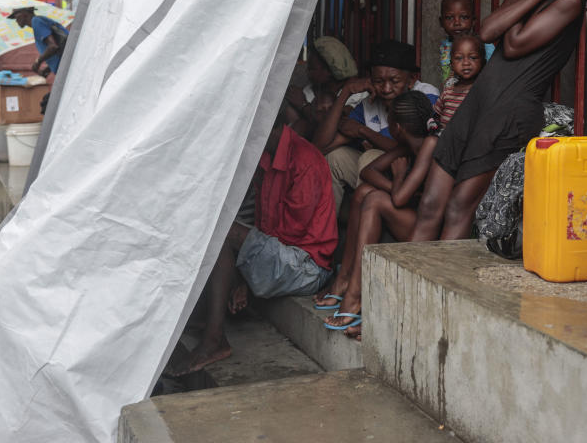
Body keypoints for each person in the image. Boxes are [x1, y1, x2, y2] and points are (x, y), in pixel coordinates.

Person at [411, 0, 586, 242]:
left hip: (510, 111)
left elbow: (515, 43)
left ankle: (446, 288)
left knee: (459, 206)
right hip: (479, 102)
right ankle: (403, 293)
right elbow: (488, 31)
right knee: (431, 203)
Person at [167, 103, 337, 375]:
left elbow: (289, 236)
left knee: (222, 230)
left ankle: (214, 338)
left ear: (273, 127)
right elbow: (265, 226)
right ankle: (207, 322)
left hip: (306, 267)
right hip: (283, 255)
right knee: (214, 225)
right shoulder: (268, 156)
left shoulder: (304, 160)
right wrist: (245, 273)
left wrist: (246, 273)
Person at [316, 92, 438, 337]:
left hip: (430, 232)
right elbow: (369, 172)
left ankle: (355, 295)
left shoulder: (429, 145)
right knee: (363, 192)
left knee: (374, 199)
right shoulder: (406, 146)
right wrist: (398, 185)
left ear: (397, 127)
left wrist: (400, 177)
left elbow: (400, 198)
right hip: (411, 216)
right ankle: (346, 278)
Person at [313, 39, 438, 210]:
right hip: (384, 177)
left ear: (412, 79)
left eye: (394, 81)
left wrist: (364, 132)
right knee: (334, 158)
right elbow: (321, 147)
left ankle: (372, 216)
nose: (386, 89)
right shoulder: (368, 104)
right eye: (379, 81)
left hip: (411, 178)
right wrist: (346, 93)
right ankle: (325, 232)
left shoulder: (425, 95)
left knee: (370, 156)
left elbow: (414, 147)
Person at [285, 36, 359, 137]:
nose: (307, 72)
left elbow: (331, 126)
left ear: (329, 71)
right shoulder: (307, 91)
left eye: (312, 68)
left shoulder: (357, 95)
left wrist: (303, 106)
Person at [437, 0, 495, 85]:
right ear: (441, 22)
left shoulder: (484, 45)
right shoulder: (445, 46)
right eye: (449, 18)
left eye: (464, 17)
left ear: (473, 21)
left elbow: (493, 75)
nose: (457, 23)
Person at [434, 34, 485, 129]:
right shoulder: (447, 91)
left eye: (473, 57)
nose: (466, 63)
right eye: (459, 58)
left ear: (483, 62)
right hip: (445, 139)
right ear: (451, 64)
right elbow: (436, 115)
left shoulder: (482, 91)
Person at [7, 7, 69, 77]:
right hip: (64, 65)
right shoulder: (38, 22)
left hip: (66, 66)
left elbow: (53, 46)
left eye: (16, 16)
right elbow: (57, 49)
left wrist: (38, 62)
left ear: (24, 14)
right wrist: (48, 69)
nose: (16, 20)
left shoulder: (36, 22)